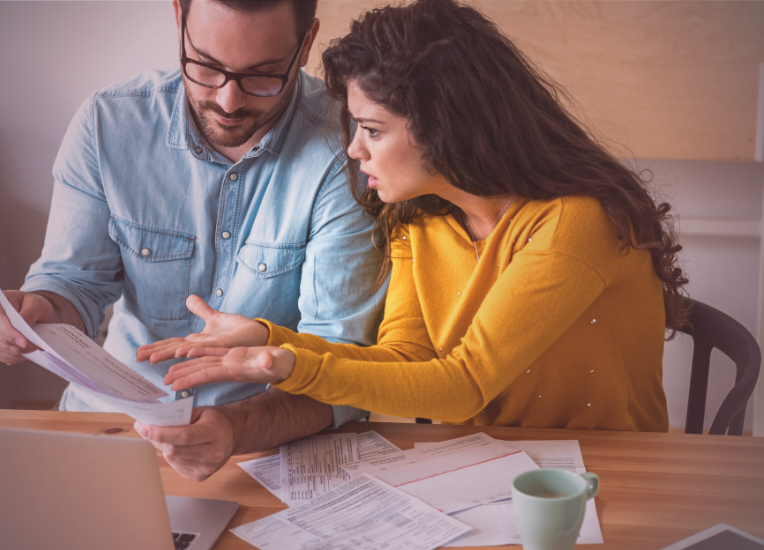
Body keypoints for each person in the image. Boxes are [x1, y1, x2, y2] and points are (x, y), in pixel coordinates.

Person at [141, 0, 689, 432]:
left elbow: (463, 385)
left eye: (373, 130)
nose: (354, 150)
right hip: (492, 467)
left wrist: (290, 367)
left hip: (606, 474)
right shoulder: (419, 219)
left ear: (445, 127)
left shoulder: (574, 222)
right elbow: (404, 358)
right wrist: (266, 338)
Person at [0, 0, 386, 481]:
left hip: (268, 447)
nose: (229, 102)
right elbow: (73, 284)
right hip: (113, 427)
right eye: (206, 68)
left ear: (306, 43)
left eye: (263, 75)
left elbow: (341, 365)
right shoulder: (107, 124)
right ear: (178, 20)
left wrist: (234, 428)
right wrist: (38, 310)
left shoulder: (349, 149)